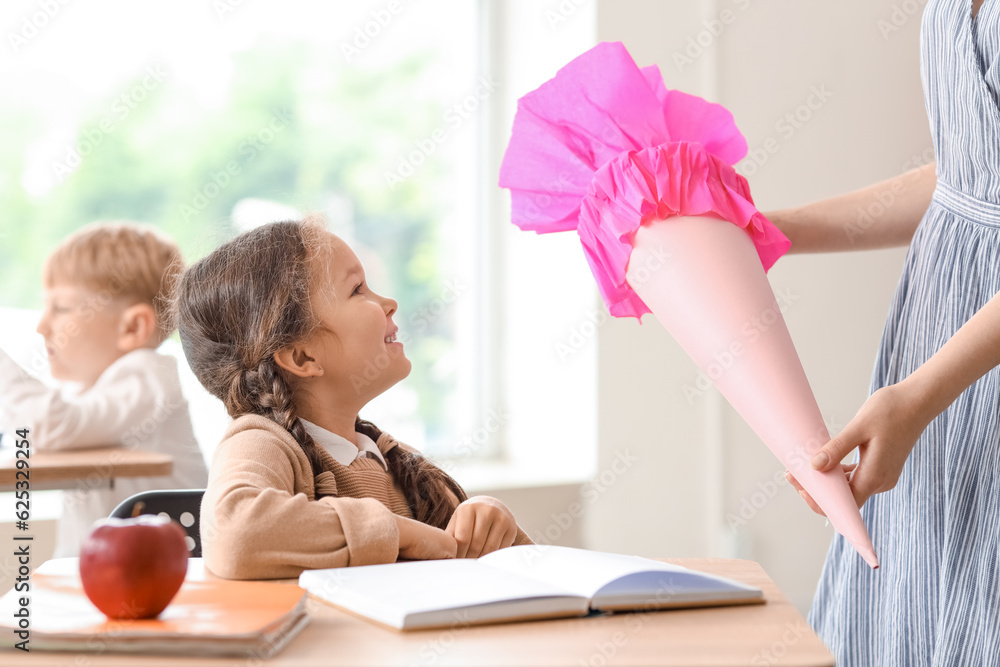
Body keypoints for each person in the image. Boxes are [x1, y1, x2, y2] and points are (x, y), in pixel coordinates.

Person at [775, 0, 1000, 663]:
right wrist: (775, 231)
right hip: (941, 343)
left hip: (950, 373)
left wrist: (919, 396)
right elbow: (970, 173)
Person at [175, 218, 532, 580]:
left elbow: (528, 586)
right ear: (302, 357)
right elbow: (234, 531)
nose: (390, 303)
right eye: (358, 289)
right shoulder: (262, 441)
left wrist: (491, 521)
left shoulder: (393, 459)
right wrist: (399, 534)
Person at [0, 222, 209, 557]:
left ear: (133, 327)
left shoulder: (147, 376)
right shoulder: (94, 392)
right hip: (110, 572)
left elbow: (50, 426)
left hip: (165, 577)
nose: (42, 326)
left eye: (61, 308)